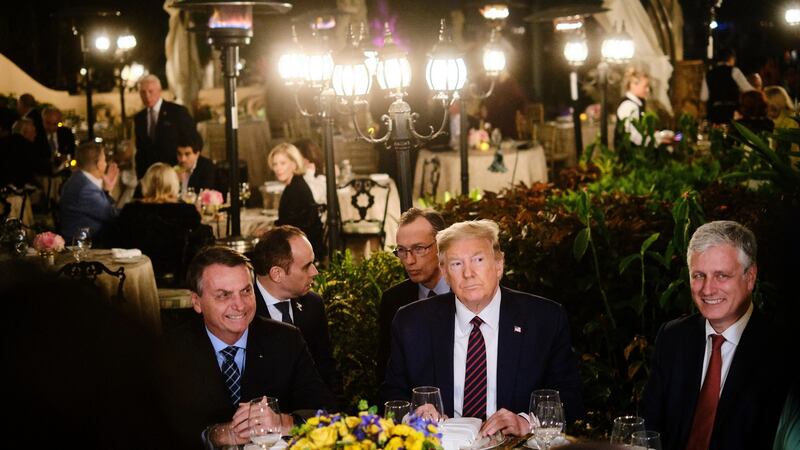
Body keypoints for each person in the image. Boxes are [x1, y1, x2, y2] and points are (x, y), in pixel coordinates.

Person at [381, 219, 583, 436]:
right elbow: (392, 398)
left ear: (498, 265)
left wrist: (526, 422)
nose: (468, 273)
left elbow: (570, 399)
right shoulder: (411, 322)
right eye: (457, 264)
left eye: (478, 259)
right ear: (445, 272)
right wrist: (413, 414)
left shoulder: (544, 319)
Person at [156, 246, 337, 449]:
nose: (240, 305)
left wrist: (283, 423)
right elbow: (156, 429)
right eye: (224, 295)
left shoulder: (286, 340)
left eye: (246, 291)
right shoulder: (170, 351)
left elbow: (328, 413)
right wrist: (215, 436)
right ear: (197, 302)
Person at [642, 220, 791, 450]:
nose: (708, 289)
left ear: (750, 277)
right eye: (699, 275)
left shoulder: (782, 351)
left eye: (721, 275)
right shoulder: (673, 338)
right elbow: (647, 431)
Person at [251, 225, 341, 396]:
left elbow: (327, 371)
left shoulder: (313, 305)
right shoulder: (244, 311)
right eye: (306, 266)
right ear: (277, 274)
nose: (315, 272)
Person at [111, 162, 214, 286]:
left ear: (146, 184)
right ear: (174, 184)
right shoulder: (187, 212)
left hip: (134, 282)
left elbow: (116, 246)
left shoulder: (130, 211)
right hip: (177, 282)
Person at [377, 207, 449, 383]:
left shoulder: (469, 293)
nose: (409, 261)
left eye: (418, 249)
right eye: (402, 250)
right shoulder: (392, 301)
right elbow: (386, 374)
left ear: (441, 246)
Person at [133, 74, 197, 180]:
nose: (147, 96)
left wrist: (182, 169)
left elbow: (193, 142)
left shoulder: (177, 112)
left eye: (150, 91)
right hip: (149, 177)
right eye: (143, 92)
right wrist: (140, 177)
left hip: (174, 174)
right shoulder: (139, 118)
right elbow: (140, 150)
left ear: (159, 91)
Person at [268, 142, 325, 260]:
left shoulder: (296, 189)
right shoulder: (293, 185)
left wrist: (271, 231)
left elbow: (294, 228)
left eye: (283, 163)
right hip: (299, 245)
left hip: (302, 251)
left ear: (294, 165)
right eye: (275, 164)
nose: (278, 168)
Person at [59, 141, 119, 247]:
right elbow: (111, 215)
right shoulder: (86, 188)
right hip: (83, 243)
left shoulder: (78, 177)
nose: (105, 164)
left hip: (86, 238)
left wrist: (107, 190)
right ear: (98, 164)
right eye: (104, 160)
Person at [701, 48, 755, 125]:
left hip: (715, 114)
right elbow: (748, 90)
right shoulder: (734, 71)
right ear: (731, 58)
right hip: (732, 113)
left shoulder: (709, 74)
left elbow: (704, 97)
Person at [175, 129, 216, 195]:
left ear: (197, 154)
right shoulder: (173, 166)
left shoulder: (207, 168)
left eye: (187, 154)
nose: (182, 159)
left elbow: (204, 195)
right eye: (179, 154)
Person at [293, 138, 326, 206]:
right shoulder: (298, 178)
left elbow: (313, 198)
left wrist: (309, 174)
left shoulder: (321, 179)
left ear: (307, 160)